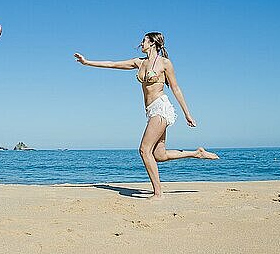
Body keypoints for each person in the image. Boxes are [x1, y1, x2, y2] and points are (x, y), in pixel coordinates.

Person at [74, 32, 218, 199]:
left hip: (161, 108)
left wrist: (187, 114)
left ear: (152, 43)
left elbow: (176, 88)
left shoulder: (165, 63)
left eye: (143, 41)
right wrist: (87, 62)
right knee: (159, 155)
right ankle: (197, 153)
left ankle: (158, 194)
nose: (141, 44)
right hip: (150, 111)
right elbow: (112, 64)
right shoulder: (139, 62)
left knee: (144, 150)